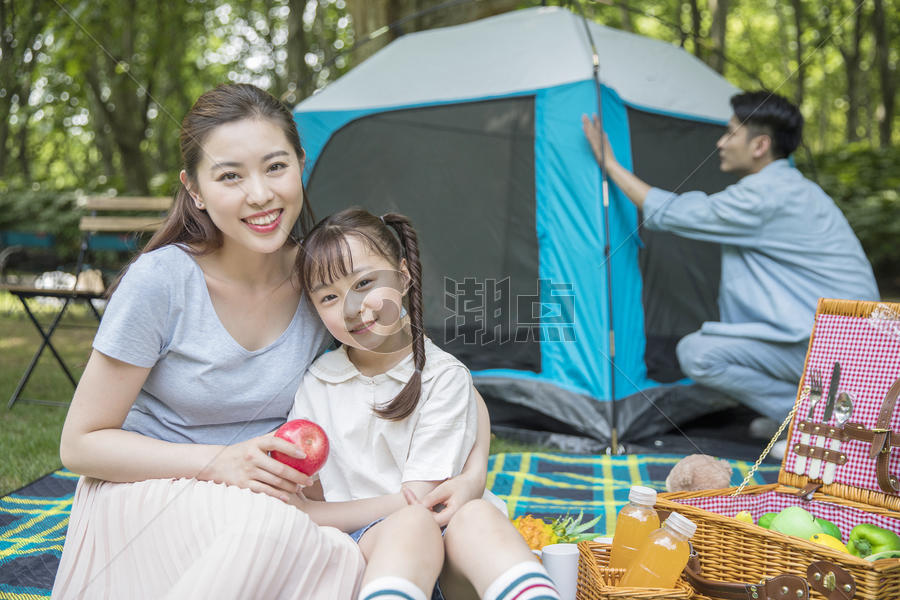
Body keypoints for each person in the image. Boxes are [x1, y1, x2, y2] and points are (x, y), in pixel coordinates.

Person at [52, 84, 492, 599]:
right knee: (282, 534)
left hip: (277, 501)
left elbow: (430, 373)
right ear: (194, 189)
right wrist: (218, 463)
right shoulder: (161, 282)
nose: (259, 194)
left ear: (300, 165)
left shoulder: (322, 284)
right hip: (154, 493)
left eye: (275, 167)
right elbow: (79, 444)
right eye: (230, 175)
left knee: (370, 550)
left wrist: (473, 474)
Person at [582, 91, 879, 452]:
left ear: (760, 145)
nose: (721, 143)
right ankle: (810, 413)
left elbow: (673, 213)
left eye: (730, 133)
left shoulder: (766, 196)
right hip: (853, 342)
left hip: (836, 348)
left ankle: (815, 421)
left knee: (697, 352)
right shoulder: (792, 188)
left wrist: (609, 165)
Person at [287, 208, 560, 600]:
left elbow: (427, 502)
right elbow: (306, 499)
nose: (353, 307)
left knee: (476, 514)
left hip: (453, 554)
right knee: (410, 524)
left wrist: (321, 512)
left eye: (365, 282)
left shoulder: (443, 376)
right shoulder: (317, 384)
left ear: (403, 276)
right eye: (329, 296)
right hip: (371, 551)